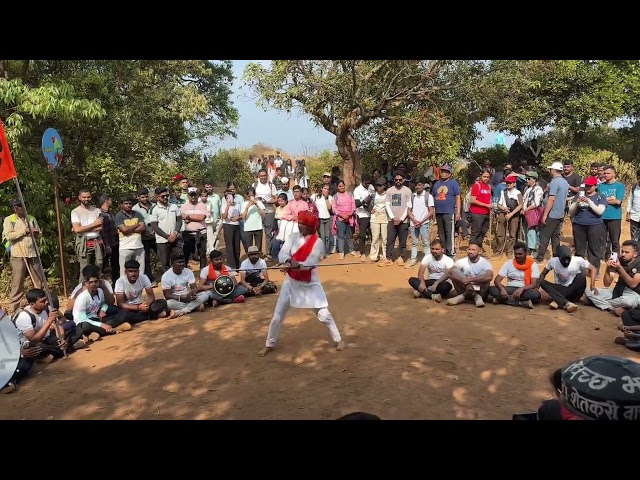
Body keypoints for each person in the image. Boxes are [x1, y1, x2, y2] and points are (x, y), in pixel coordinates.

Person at [259, 210, 344, 357]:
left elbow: (310, 262)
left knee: (324, 315)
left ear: (310, 227)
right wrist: (288, 261)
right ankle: (269, 344)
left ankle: (338, 339)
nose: (299, 226)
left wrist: (297, 264)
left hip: (309, 283)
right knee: (277, 316)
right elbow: (282, 253)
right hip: (291, 282)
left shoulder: (317, 243)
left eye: (302, 224)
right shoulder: (292, 237)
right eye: (299, 223)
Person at [537, 245, 598, 313]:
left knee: (581, 276)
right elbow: (543, 274)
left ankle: (558, 300)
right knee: (542, 282)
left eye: (568, 259)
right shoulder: (553, 261)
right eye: (563, 259)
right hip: (561, 289)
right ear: (558, 257)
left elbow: (593, 269)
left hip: (575, 292)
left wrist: (592, 286)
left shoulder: (578, 260)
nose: (566, 261)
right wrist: (537, 287)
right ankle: (566, 303)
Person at [114, 259, 173, 324]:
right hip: (129, 308)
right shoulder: (120, 281)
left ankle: (140, 317)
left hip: (142, 306)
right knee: (123, 315)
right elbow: (120, 303)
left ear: (139, 271)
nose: (133, 274)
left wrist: (146, 305)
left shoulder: (144, 278)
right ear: (126, 272)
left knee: (162, 302)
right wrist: (137, 308)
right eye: (130, 271)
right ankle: (149, 316)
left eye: (135, 271)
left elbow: (151, 297)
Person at [440, 241, 493, 308]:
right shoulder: (462, 261)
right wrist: (465, 282)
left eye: (473, 250)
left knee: (485, 274)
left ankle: (464, 296)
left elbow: (490, 276)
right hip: (464, 288)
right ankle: (476, 296)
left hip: (481, 293)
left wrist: (470, 279)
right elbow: (450, 272)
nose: (470, 252)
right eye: (469, 249)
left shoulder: (485, 263)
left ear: (480, 251)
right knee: (454, 270)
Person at [489, 241, 542, 309]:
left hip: (524, 290)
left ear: (526, 253)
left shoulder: (532, 265)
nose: (517, 256)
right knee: (491, 289)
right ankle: (521, 303)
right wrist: (502, 289)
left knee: (535, 294)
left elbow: (533, 284)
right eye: (516, 254)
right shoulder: (508, 263)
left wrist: (522, 289)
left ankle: (502, 300)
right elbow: (497, 280)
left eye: (520, 254)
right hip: (510, 288)